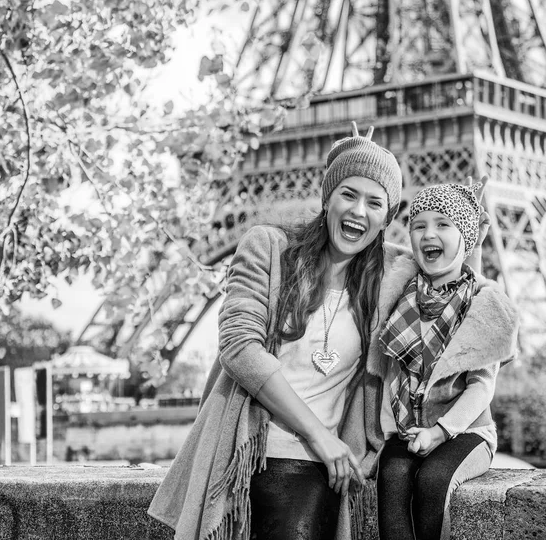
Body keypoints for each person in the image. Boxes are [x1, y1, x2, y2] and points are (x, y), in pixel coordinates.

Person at [147, 122, 484, 540]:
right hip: (251, 453)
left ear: (388, 218)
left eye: (374, 203)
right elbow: (239, 348)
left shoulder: (396, 274)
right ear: (328, 198)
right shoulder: (268, 247)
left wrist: (473, 235)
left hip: (322, 469)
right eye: (348, 194)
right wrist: (319, 437)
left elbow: (458, 283)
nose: (359, 211)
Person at [375, 182, 519, 540]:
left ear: (466, 237)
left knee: (434, 481)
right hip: (409, 429)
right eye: (419, 225)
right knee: (390, 481)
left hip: (465, 431)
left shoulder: (485, 305)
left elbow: (480, 388)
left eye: (443, 224)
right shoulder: (399, 293)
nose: (429, 234)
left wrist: (440, 432)